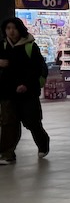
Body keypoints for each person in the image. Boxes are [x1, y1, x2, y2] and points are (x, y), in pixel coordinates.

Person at [0, 16, 52, 163]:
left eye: (14, 28)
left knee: (31, 121)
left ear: (20, 29)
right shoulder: (2, 46)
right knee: (8, 123)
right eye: (8, 28)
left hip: (27, 92)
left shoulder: (30, 46)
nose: (11, 31)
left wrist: (26, 85)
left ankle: (43, 143)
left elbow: (37, 69)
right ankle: (7, 154)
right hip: (7, 91)